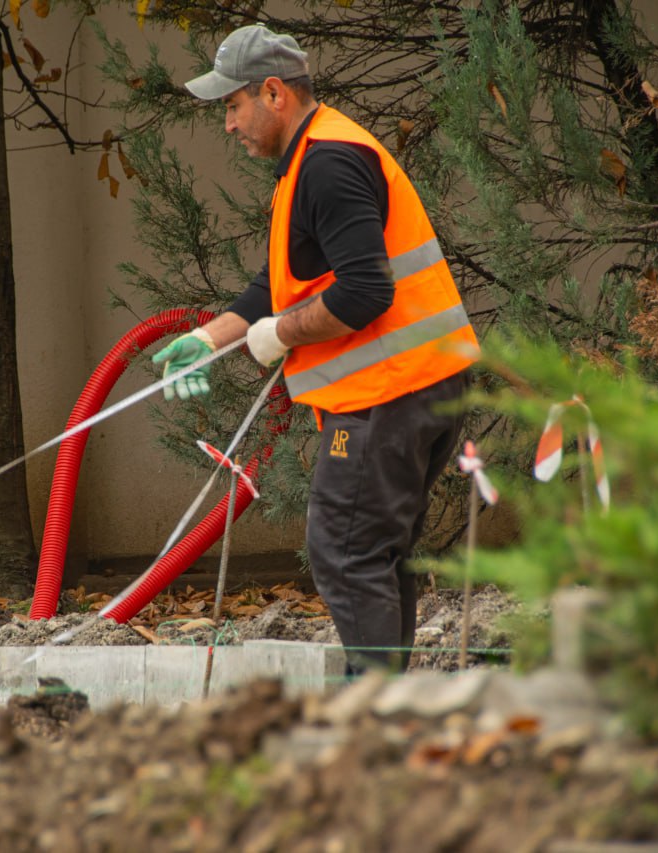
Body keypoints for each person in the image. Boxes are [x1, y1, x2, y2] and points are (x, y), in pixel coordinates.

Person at [152, 24, 480, 673]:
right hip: (417, 384)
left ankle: (372, 721)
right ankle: (386, 715)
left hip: (388, 393)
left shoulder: (327, 162)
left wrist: (279, 334)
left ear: (273, 92)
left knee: (346, 552)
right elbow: (278, 286)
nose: (227, 124)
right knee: (377, 556)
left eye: (232, 105)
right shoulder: (312, 158)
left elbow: (364, 293)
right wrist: (208, 339)